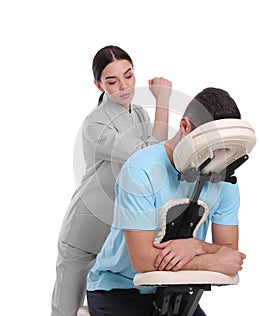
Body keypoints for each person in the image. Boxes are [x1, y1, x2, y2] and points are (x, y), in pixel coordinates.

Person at [86, 87, 247, 316]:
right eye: (211, 144)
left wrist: (196, 246)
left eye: (224, 147)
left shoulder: (224, 182)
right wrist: (208, 261)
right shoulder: (141, 169)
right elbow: (142, 259)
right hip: (118, 288)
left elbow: (229, 253)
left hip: (176, 290)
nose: (217, 154)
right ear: (184, 127)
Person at [51, 45, 172, 316]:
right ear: (98, 84)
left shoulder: (138, 113)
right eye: (112, 81)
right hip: (86, 231)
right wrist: (163, 103)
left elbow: (156, 155)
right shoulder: (96, 123)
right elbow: (149, 159)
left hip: (118, 235)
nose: (124, 86)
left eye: (128, 76)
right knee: (66, 310)